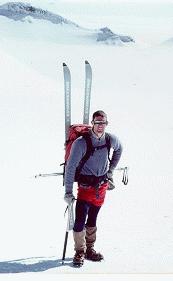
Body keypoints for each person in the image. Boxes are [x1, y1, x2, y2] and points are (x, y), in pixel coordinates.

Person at [64, 110, 123, 266]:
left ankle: (90, 249)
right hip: (84, 188)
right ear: (92, 123)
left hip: (101, 188)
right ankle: (79, 251)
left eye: (103, 123)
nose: (100, 126)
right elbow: (70, 168)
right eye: (97, 123)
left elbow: (119, 149)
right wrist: (68, 192)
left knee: (93, 219)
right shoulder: (81, 143)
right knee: (79, 220)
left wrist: (110, 171)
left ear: (106, 124)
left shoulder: (110, 139)